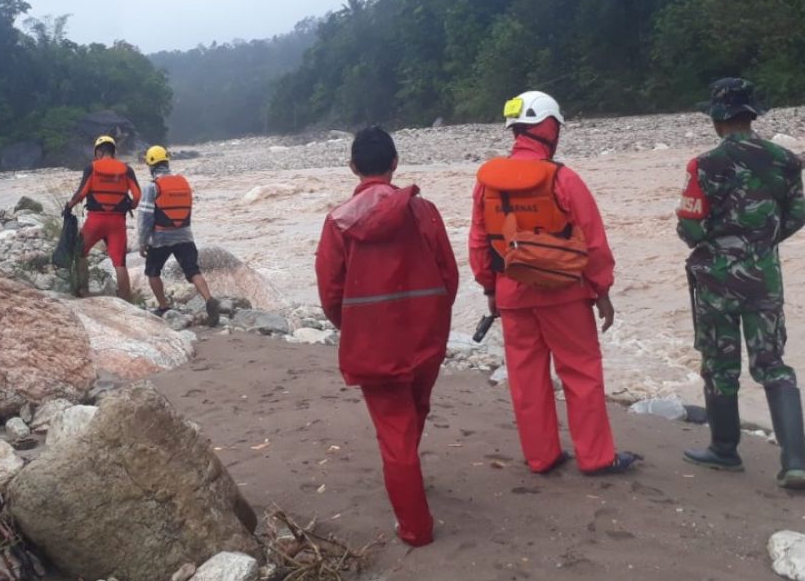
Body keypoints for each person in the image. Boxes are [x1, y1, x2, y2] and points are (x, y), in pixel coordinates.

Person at [469, 91, 639, 476]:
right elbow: (593, 241)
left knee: (527, 380)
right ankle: (596, 458)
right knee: (580, 372)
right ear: (548, 127)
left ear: (515, 131)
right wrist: (603, 292)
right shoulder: (564, 179)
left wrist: (489, 290)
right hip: (564, 293)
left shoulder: (487, 184)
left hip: (512, 293)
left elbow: (479, 242)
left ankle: (542, 456)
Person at [315, 127, 459, 547]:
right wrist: (434, 321)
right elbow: (448, 275)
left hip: (374, 345)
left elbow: (330, 292)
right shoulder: (424, 211)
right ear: (395, 163)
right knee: (414, 413)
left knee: (395, 428)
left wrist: (353, 329)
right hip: (425, 338)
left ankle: (416, 527)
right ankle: (408, 481)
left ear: (353, 167)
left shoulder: (339, 221)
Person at [677, 78, 805, 489]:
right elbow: (798, 213)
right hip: (765, 277)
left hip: (716, 281)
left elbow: (689, 228)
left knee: (719, 364)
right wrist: (762, 243)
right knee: (774, 365)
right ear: (753, 115)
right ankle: (796, 461)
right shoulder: (786, 160)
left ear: (717, 120)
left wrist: (719, 244)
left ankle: (725, 450)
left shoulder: (704, 165)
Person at [136, 145, 220, 326]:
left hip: (161, 238)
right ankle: (209, 300)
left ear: (150, 165)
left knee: (152, 271)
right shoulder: (183, 182)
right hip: (185, 235)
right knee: (193, 270)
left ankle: (164, 306)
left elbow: (145, 217)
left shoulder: (152, 187)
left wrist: (142, 242)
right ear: (167, 162)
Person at [65, 136, 142, 300]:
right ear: (114, 151)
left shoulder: (91, 168)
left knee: (80, 252)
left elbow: (82, 193)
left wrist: (69, 206)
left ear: (98, 151)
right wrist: (132, 206)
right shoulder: (127, 170)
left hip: (95, 220)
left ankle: (83, 291)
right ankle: (125, 298)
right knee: (119, 262)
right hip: (117, 222)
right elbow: (137, 195)